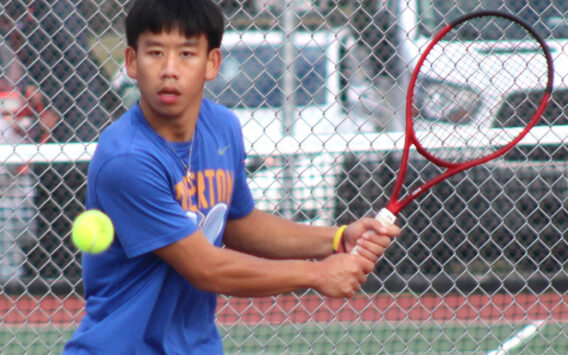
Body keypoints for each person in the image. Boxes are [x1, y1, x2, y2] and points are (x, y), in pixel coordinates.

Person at [63, 0, 399, 353]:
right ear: (132, 62)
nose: (170, 69)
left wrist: (337, 238)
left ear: (212, 63)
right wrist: (316, 274)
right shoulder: (127, 159)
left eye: (187, 54)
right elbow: (205, 267)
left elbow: (239, 224)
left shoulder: (222, 127)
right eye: (156, 53)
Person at [0, 23, 58, 282]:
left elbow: (48, 121)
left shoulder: (27, 90)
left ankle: (11, 279)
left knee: (22, 229)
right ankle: (9, 283)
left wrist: (32, 125)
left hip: (19, 176)